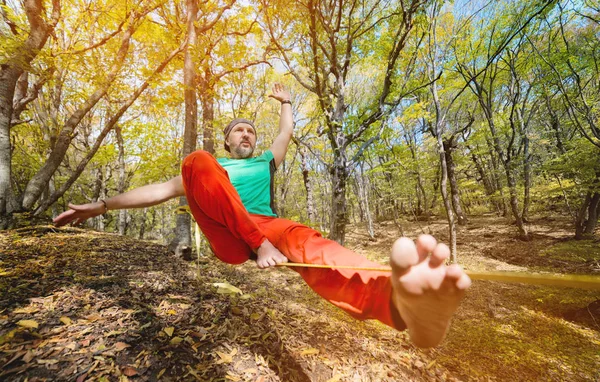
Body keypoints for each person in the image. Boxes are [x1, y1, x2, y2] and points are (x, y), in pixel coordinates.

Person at [54, 84, 471, 348]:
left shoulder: (265, 163)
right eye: (239, 130)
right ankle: (260, 244)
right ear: (228, 140)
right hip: (231, 234)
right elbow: (160, 190)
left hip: (268, 227)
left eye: (251, 131)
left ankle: (396, 302)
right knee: (194, 161)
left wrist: (287, 103)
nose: (246, 134)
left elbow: (285, 134)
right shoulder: (213, 166)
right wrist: (103, 204)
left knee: (312, 243)